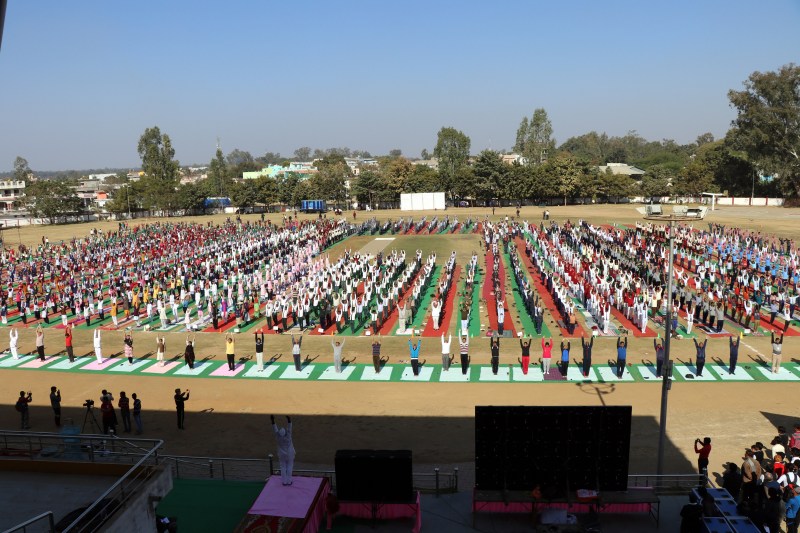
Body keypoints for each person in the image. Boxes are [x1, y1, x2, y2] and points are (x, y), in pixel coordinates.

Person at [271, 415, 295, 486]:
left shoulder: (278, 437)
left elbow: (275, 429)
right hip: (290, 453)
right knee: (290, 466)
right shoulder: (288, 436)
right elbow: (289, 427)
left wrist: (273, 421)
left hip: (281, 454)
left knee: (283, 467)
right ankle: (289, 481)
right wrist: (289, 419)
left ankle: (284, 482)